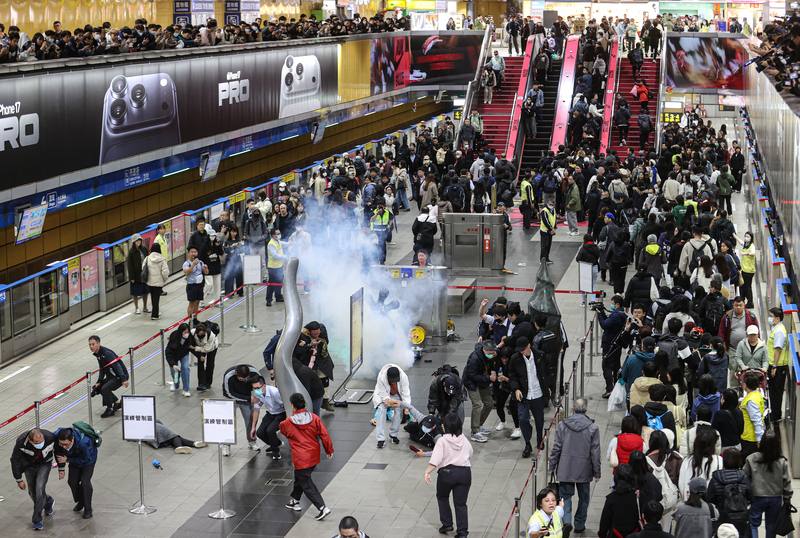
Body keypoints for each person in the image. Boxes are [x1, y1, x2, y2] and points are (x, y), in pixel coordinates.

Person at [548, 398, 601, 534]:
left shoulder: (562, 425)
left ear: (573, 408)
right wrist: (597, 471)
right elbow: (595, 452)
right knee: (584, 498)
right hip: (584, 470)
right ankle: (579, 524)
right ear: (586, 409)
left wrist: (552, 465)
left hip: (566, 468)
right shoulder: (592, 427)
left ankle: (566, 521)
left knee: (565, 497)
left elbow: (556, 448)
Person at [280, 393, 334, 521]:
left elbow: (283, 431)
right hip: (313, 455)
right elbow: (324, 435)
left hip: (300, 457)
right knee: (301, 477)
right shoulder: (314, 418)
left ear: (292, 405)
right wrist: (329, 449)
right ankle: (294, 500)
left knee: (306, 483)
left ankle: (322, 507)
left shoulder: (287, 423)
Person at [424, 413, 473, 537]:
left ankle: (447, 524)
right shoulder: (464, 439)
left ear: (445, 426)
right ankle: (462, 532)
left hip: (447, 474)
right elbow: (470, 453)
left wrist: (427, 472)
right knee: (461, 504)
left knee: (442, 497)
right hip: (464, 474)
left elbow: (435, 459)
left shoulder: (442, 440)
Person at [743, 430, 793, 538]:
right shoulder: (781, 461)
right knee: (771, 526)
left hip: (756, 496)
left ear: (762, 442)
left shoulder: (751, 458)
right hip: (775, 498)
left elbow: (744, 477)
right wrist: (787, 497)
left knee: (753, 524)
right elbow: (786, 482)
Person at [10, 428, 57, 530]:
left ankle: (37, 520)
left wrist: (61, 467)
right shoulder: (21, 442)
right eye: (36, 442)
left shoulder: (50, 437)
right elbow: (15, 460)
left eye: (41, 441)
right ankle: (48, 502)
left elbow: (59, 450)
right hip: (29, 466)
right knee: (32, 492)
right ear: (30, 441)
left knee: (39, 489)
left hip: (45, 464)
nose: (40, 443)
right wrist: (18, 479)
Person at [508, 336, 547, 458]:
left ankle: (540, 439)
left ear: (529, 345)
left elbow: (546, 372)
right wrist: (516, 389)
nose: (522, 352)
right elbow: (512, 376)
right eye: (520, 350)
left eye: (523, 349)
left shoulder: (539, 355)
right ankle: (527, 443)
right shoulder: (515, 359)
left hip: (538, 393)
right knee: (523, 419)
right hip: (523, 395)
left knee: (539, 419)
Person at [372, 364, 424, 448]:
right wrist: (388, 400)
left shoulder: (403, 377)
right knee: (381, 410)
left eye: (396, 381)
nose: (394, 382)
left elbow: (406, 393)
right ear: (388, 378)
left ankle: (393, 434)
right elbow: (382, 393)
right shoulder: (381, 377)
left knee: (399, 410)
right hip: (384, 394)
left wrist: (406, 407)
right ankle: (380, 439)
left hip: (396, 394)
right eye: (392, 381)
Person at [54, 425, 97, 520]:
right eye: (62, 444)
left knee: (85, 482)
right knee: (72, 482)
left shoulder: (84, 443)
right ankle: (81, 501)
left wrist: (68, 460)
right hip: (73, 458)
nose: (64, 447)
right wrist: (61, 469)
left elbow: (86, 459)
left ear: (72, 439)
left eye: (66, 444)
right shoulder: (58, 440)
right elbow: (58, 453)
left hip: (88, 461)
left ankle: (88, 509)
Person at [707, 448, 751, 536]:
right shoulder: (744, 477)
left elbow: (710, 498)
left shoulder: (716, 478)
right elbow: (750, 496)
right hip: (741, 517)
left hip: (723, 516)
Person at [222, 364, 261, 454]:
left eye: (246, 378)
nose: (244, 380)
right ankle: (226, 444)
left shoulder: (254, 373)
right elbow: (229, 393)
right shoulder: (229, 376)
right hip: (231, 399)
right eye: (241, 379)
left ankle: (252, 441)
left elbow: (260, 386)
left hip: (247, 399)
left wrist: (257, 396)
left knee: (250, 421)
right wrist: (248, 398)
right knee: (229, 422)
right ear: (236, 374)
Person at [463, 340, 496, 442]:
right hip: (471, 383)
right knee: (477, 405)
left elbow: (491, 364)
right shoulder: (474, 358)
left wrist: (493, 371)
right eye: (490, 353)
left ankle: (479, 424)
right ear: (484, 350)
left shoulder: (491, 354)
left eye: (493, 352)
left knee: (489, 403)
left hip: (483, 380)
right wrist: (488, 378)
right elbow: (472, 375)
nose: (492, 355)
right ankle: (475, 431)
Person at [88, 335, 129, 418]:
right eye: (90, 345)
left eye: (93, 344)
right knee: (98, 388)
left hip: (119, 376)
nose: (91, 346)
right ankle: (117, 403)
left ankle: (110, 409)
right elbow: (102, 369)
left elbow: (117, 366)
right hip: (111, 376)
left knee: (105, 389)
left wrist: (124, 379)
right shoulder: (98, 354)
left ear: (98, 343)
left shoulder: (106, 353)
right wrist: (99, 382)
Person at [249, 374, 286, 461]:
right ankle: (275, 444)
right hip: (270, 413)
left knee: (270, 430)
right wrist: (253, 427)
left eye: (258, 388)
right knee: (260, 433)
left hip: (281, 413)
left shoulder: (275, 392)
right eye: (254, 388)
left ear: (264, 385)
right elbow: (256, 409)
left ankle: (275, 451)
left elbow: (286, 405)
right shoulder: (257, 393)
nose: (256, 390)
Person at [678, 428, 722, 500]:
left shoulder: (687, 460)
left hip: (689, 503)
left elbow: (681, 485)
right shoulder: (719, 460)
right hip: (711, 507)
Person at [598, 464, 641, 537]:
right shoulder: (637, 497)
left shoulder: (611, 498)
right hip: (635, 534)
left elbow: (605, 521)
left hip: (616, 534)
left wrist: (602, 534)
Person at [599, 295, 627, 397]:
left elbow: (604, 325)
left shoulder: (616, 315)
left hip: (610, 344)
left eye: (612, 303)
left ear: (617, 304)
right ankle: (616, 387)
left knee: (606, 366)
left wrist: (599, 313)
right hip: (616, 344)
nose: (611, 305)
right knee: (615, 366)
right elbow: (608, 322)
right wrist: (602, 312)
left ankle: (610, 389)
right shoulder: (620, 313)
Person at [766, 307, 788, 423]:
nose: (770, 319)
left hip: (778, 367)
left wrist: (774, 366)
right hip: (775, 365)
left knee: (776, 392)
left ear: (777, 318)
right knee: (773, 391)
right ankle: (774, 412)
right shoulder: (777, 328)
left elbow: (777, 350)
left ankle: (776, 415)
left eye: (772, 316)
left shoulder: (779, 331)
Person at [739, 372, 766, 458]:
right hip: (751, 437)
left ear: (746, 385)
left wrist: (759, 440)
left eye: (742, 382)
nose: (741, 383)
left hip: (750, 438)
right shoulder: (757, 394)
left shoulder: (750, 401)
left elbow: (756, 420)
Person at [165, 323, 193, 397]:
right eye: (185, 332)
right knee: (175, 372)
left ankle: (186, 389)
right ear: (181, 332)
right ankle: (176, 383)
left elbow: (192, 347)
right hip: (174, 356)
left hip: (184, 354)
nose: (187, 334)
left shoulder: (190, 337)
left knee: (185, 368)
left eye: (188, 332)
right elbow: (168, 353)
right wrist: (173, 364)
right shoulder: (174, 337)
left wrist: (200, 356)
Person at [143, 243, 169, 320]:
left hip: (149, 282)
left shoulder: (147, 258)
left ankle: (155, 312)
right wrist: (164, 279)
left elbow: (143, 267)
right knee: (156, 298)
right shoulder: (162, 259)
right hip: (158, 282)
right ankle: (155, 315)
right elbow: (165, 272)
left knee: (153, 297)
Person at [191, 321, 219, 392]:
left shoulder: (211, 335)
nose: (202, 335)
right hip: (200, 347)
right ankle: (201, 384)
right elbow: (190, 345)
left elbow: (207, 349)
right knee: (200, 363)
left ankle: (208, 383)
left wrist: (196, 348)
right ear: (197, 332)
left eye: (203, 334)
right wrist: (200, 356)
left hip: (212, 347)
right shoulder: (192, 332)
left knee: (210, 364)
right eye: (200, 334)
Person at [182, 246, 208, 319]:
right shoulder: (186, 263)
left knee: (197, 302)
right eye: (192, 252)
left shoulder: (200, 262)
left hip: (200, 285)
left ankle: (195, 318)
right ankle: (190, 320)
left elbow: (206, 272)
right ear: (188, 253)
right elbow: (186, 273)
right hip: (191, 286)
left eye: (195, 252)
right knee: (192, 303)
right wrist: (193, 264)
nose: (193, 254)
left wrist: (206, 268)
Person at [127, 233, 149, 315]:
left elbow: (147, 259)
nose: (138, 242)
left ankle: (145, 307)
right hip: (136, 275)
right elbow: (130, 266)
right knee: (135, 292)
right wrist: (131, 277)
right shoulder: (131, 252)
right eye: (137, 240)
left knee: (145, 291)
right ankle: (136, 308)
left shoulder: (144, 249)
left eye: (139, 240)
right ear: (134, 242)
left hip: (144, 274)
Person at [266, 228, 287, 307]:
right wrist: (284, 257)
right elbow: (275, 256)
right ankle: (268, 300)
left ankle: (278, 297)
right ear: (272, 235)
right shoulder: (271, 244)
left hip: (279, 266)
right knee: (271, 285)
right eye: (277, 234)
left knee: (279, 283)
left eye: (279, 233)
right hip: (273, 268)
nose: (279, 235)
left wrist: (291, 243)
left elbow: (284, 243)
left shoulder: (278, 241)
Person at [539, 199, 557, 263]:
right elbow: (546, 221)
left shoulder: (553, 210)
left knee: (548, 245)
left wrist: (554, 227)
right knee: (544, 246)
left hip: (550, 231)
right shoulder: (544, 211)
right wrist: (551, 229)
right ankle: (542, 259)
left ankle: (546, 259)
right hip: (544, 231)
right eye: (550, 204)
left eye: (552, 204)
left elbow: (554, 218)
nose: (551, 206)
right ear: (547, 204)